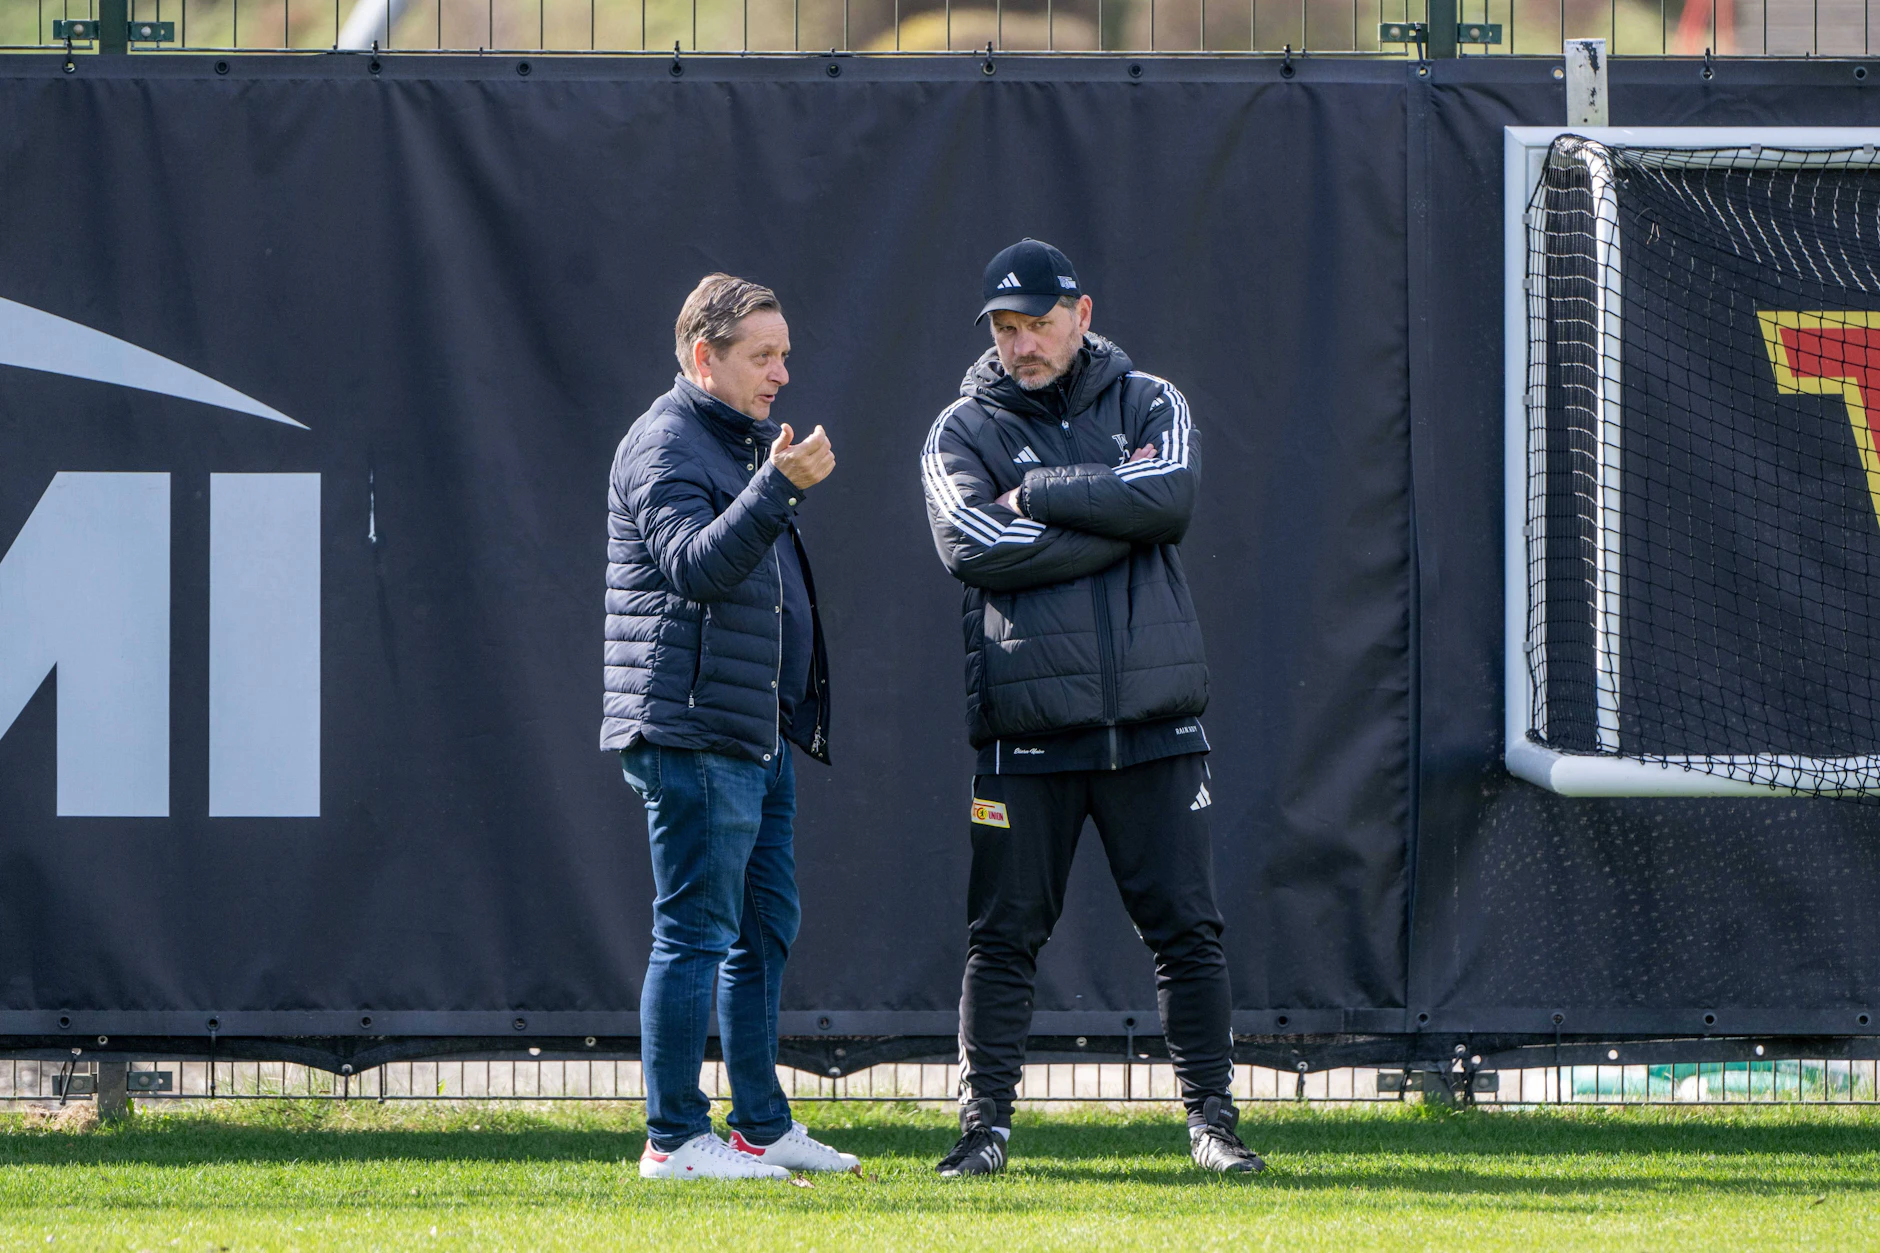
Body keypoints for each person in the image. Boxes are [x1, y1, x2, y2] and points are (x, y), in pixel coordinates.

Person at [919, 239, 1263, 1177]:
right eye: (1005, 326)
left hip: (1157, 728)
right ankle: (982, 1129)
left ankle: (1212, 1125)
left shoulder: (1152, 398)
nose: (1021, 342)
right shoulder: (960, 428)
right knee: (1002, 938)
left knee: (1187, 932)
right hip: (1027, 738)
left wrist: (1040, 492)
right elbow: (976, 547)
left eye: (1037, 321)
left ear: (1082, 311)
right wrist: (1121, 523)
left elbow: (1174, 494)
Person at [605, 273, 856, 1181]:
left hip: (757, 733)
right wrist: (777, 491)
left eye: (784, 352)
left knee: (762, 931)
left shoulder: (740, 444)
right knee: (694, 935)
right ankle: (673, 1138)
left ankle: (759, 1123)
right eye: (764, 354)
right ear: (704, 357)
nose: (783, 371)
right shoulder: (663, 443)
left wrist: (771, 482)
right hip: (693, 735)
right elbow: (692, 567)